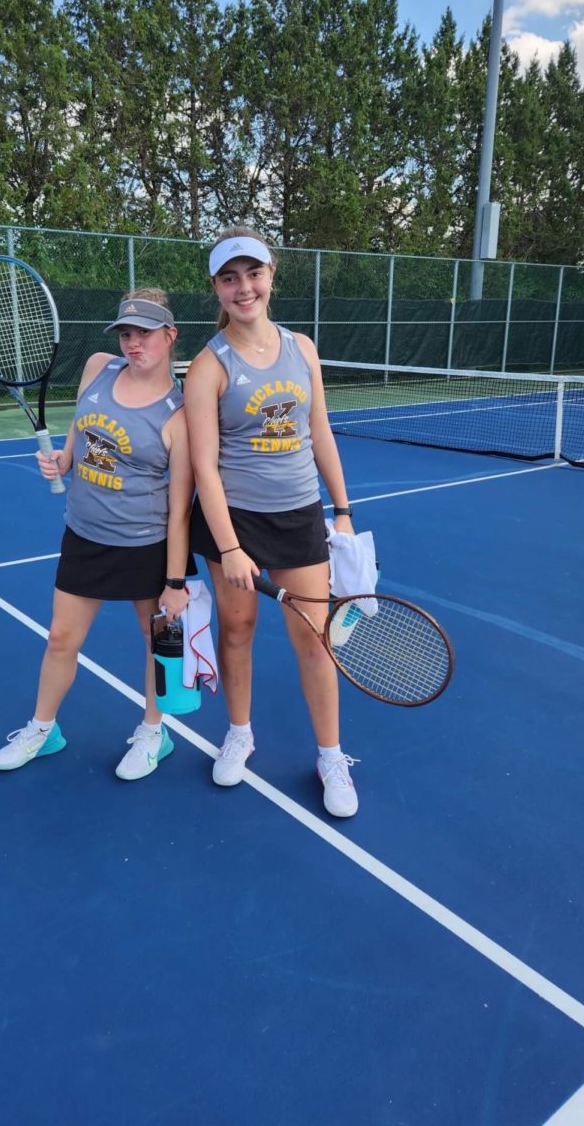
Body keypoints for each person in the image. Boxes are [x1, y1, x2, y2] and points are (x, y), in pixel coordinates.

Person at [183, 227, 360, 818]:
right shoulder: (209, 366)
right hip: (234, 521)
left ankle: (331, 756)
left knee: (315, 639)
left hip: (301, 517)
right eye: (230, 278)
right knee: (236, 633)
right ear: (216, 287)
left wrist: (341, 510)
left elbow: (321, 433)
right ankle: (239, 732)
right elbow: (204, 466)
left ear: (271, 275)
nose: (243, 287)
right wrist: (230, 547)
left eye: (253, 273)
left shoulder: (301, 348)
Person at [0, 289, 194, 780]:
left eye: (144, 332)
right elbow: (79, 433)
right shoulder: (98, 367)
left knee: (155, 644)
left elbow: (181, 505)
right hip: (84, 535)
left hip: (146, 544)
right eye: (126, 332)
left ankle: (153, 733)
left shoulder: (180, 413)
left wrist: (175, 581)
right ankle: (43, 729)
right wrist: (64, 458)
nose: (133, 343)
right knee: (61, 637)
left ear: (170, 336)